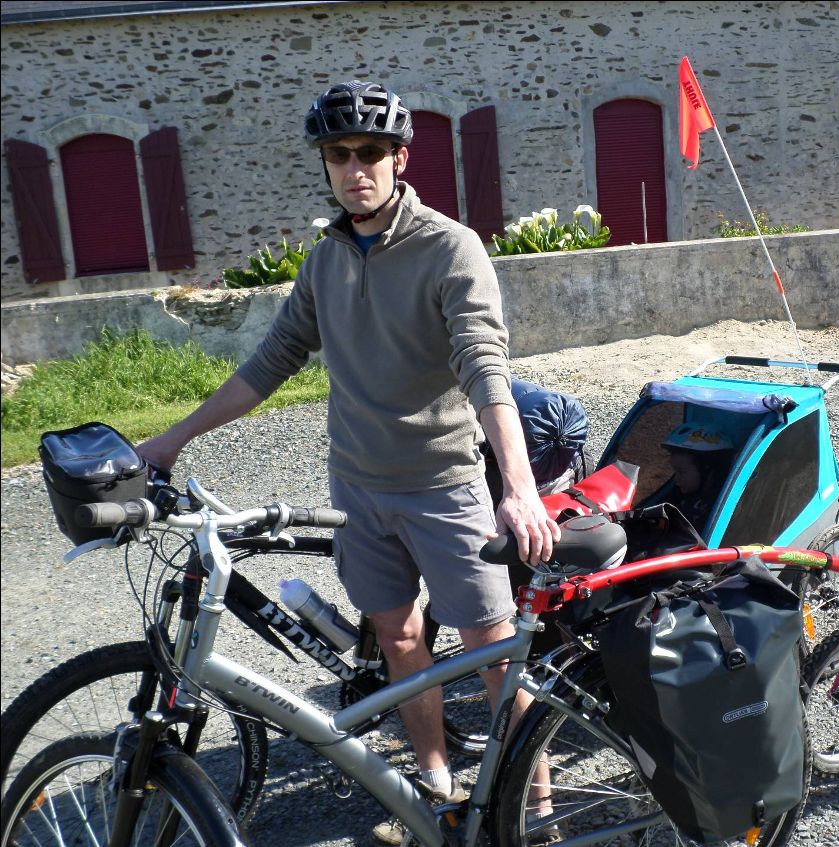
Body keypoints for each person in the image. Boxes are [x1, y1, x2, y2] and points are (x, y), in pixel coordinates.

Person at [136, 79, 560, 843]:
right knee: (398, 640)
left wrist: (519, 489)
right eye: (340, 154)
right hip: (358, 493)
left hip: (444, 487)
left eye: (370, 152)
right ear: (326, 164)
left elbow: (483, 366)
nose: (355, 168)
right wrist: (171, 441)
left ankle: (537, 803)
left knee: (494, 650)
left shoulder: (449, 247)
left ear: (399, 158)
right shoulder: (326, 260)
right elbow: (269, 363)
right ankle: (430, 784)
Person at [660, 423, 736, 531]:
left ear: (707, 471)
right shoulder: (678, 495)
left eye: (681, 472)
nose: (676, 479)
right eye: (675, 472)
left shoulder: (719, 511)